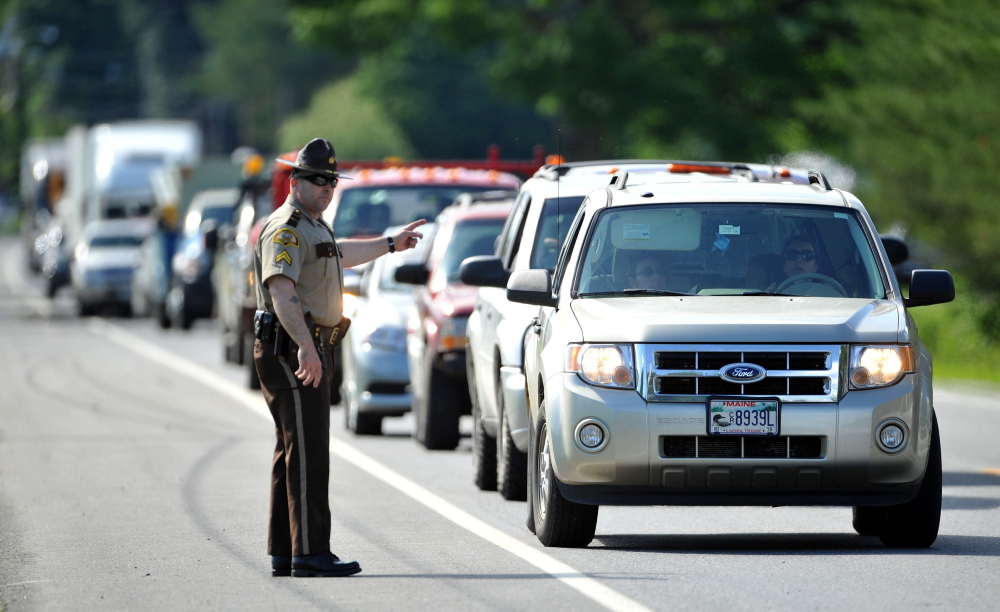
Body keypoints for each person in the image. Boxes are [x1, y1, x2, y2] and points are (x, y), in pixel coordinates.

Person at [253, 138, 425, 578]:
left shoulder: (313, 224)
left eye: (332, 180)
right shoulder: (287, 227)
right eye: (317, 180)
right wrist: (307, 349)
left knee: (292, 449)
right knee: (309, 451)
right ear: (295, 180)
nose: (327, 188)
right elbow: (281, 290)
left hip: (304, 344)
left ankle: (286, 549)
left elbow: (341, 254)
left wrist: (391, 244)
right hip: (293, 346)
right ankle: (310, 554)